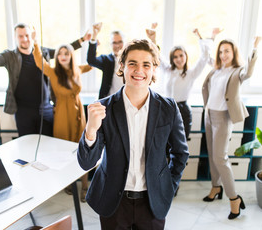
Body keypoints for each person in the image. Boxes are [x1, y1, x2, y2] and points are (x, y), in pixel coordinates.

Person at [77, 39, 189, 229]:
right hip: (114, 201)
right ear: (121, 67)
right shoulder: (103, 108)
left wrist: (168, 186)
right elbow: (87, 163)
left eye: (146, 64)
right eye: (132, 63)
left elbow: (181, 153)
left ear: (154, 69)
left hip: (153, 202)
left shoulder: (169, 108)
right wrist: (91, 130)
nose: (139, 70)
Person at [0, 23, 89, 136]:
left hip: (46, 109)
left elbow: (64, 50)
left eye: (27, 35)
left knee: (49, 143)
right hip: (23, 111)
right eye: (20, 36)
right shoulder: (10, 56)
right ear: (15, 38)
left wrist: (83, 39)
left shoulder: (42, 52)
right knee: (27, 145)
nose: (25, 39)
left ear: (31, 36)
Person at [202, 36, 262, 219]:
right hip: (209, 115)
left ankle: (234, 198)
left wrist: (254, 49)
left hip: (223, 118)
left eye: (227, 51)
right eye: (221, 51)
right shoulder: (216, 71)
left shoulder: (238, 71)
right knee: (213, 156)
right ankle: (215, 187)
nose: (223, 54)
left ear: (234, 52)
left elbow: (249, 73)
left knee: (221, 158)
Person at [32, 29, 92, 202]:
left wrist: (92, 41)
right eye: (60, 54)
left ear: (71, 56)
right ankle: (68, 183)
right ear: (57, 57)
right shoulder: (52, 72)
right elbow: (38, 61)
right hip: (62, 116)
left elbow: (94, 63)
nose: (63, 56)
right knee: (64, 150)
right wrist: (35, 42)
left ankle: (85, 186)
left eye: (67, 53)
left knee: (83, 150)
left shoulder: (78, 70)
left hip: (79, 114)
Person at [146, 23, 221, 139]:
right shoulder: (168, 70)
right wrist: (152, 39)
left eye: (181, 55)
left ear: (186, 56)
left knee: (180, 144)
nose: (179, 59)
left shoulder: (192, 73)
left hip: (183, 111)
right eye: (175, 57)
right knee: (164, 142)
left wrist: (201, 37)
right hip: (167, 109)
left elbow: (204, 56)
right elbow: (157, 56)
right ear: (172, 59)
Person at [87, 22, 125, 99]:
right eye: (114, 43)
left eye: (120, 42)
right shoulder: (106, 60)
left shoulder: (132, 59)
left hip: (128, 101)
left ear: (125, 42)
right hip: (109, 101)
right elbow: (91, 60)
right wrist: (94, 36)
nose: (117, 45)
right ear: (110, 44)